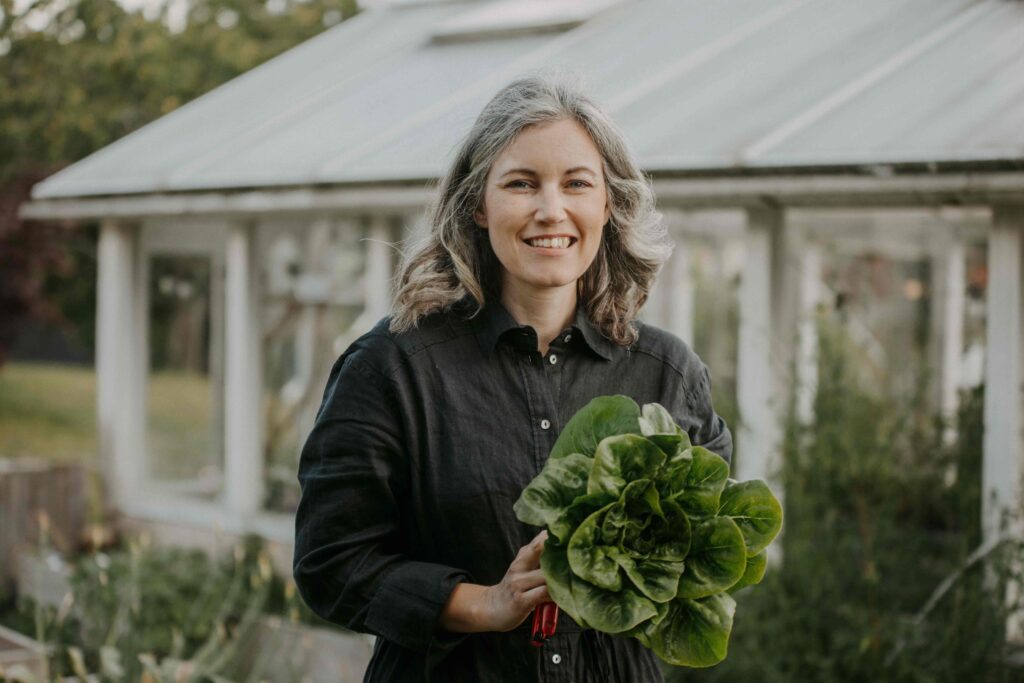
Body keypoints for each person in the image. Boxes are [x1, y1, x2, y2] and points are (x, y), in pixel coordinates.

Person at [292, 71, 733, 683]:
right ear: (479, 204)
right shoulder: (393, 369)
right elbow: (330, 563)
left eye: (577, 184)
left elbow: (704, 557)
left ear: (607, 203)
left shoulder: (666, 376)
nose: (551, 210)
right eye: (522, 183)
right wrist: (484, 604)